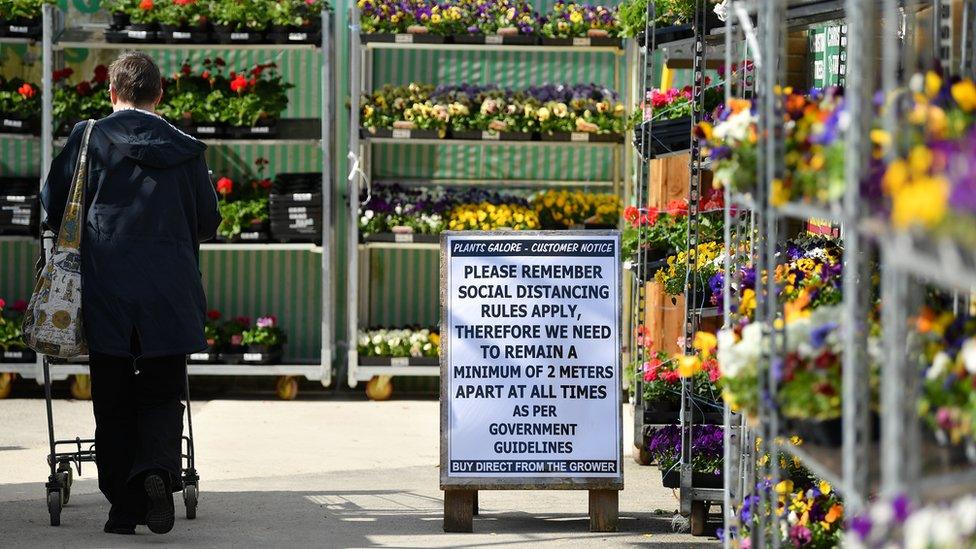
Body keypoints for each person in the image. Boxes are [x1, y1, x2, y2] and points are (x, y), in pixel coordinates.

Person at [40, 51, 220, 535]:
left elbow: (54, 203)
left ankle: (124, 506)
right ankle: (158, 472)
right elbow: (207, 222)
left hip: (107, 288)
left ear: (111, 92)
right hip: (171, 291)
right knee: (163, 393)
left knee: (114, 395)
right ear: (159, 96)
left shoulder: (89, 139)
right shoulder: (187, 148)